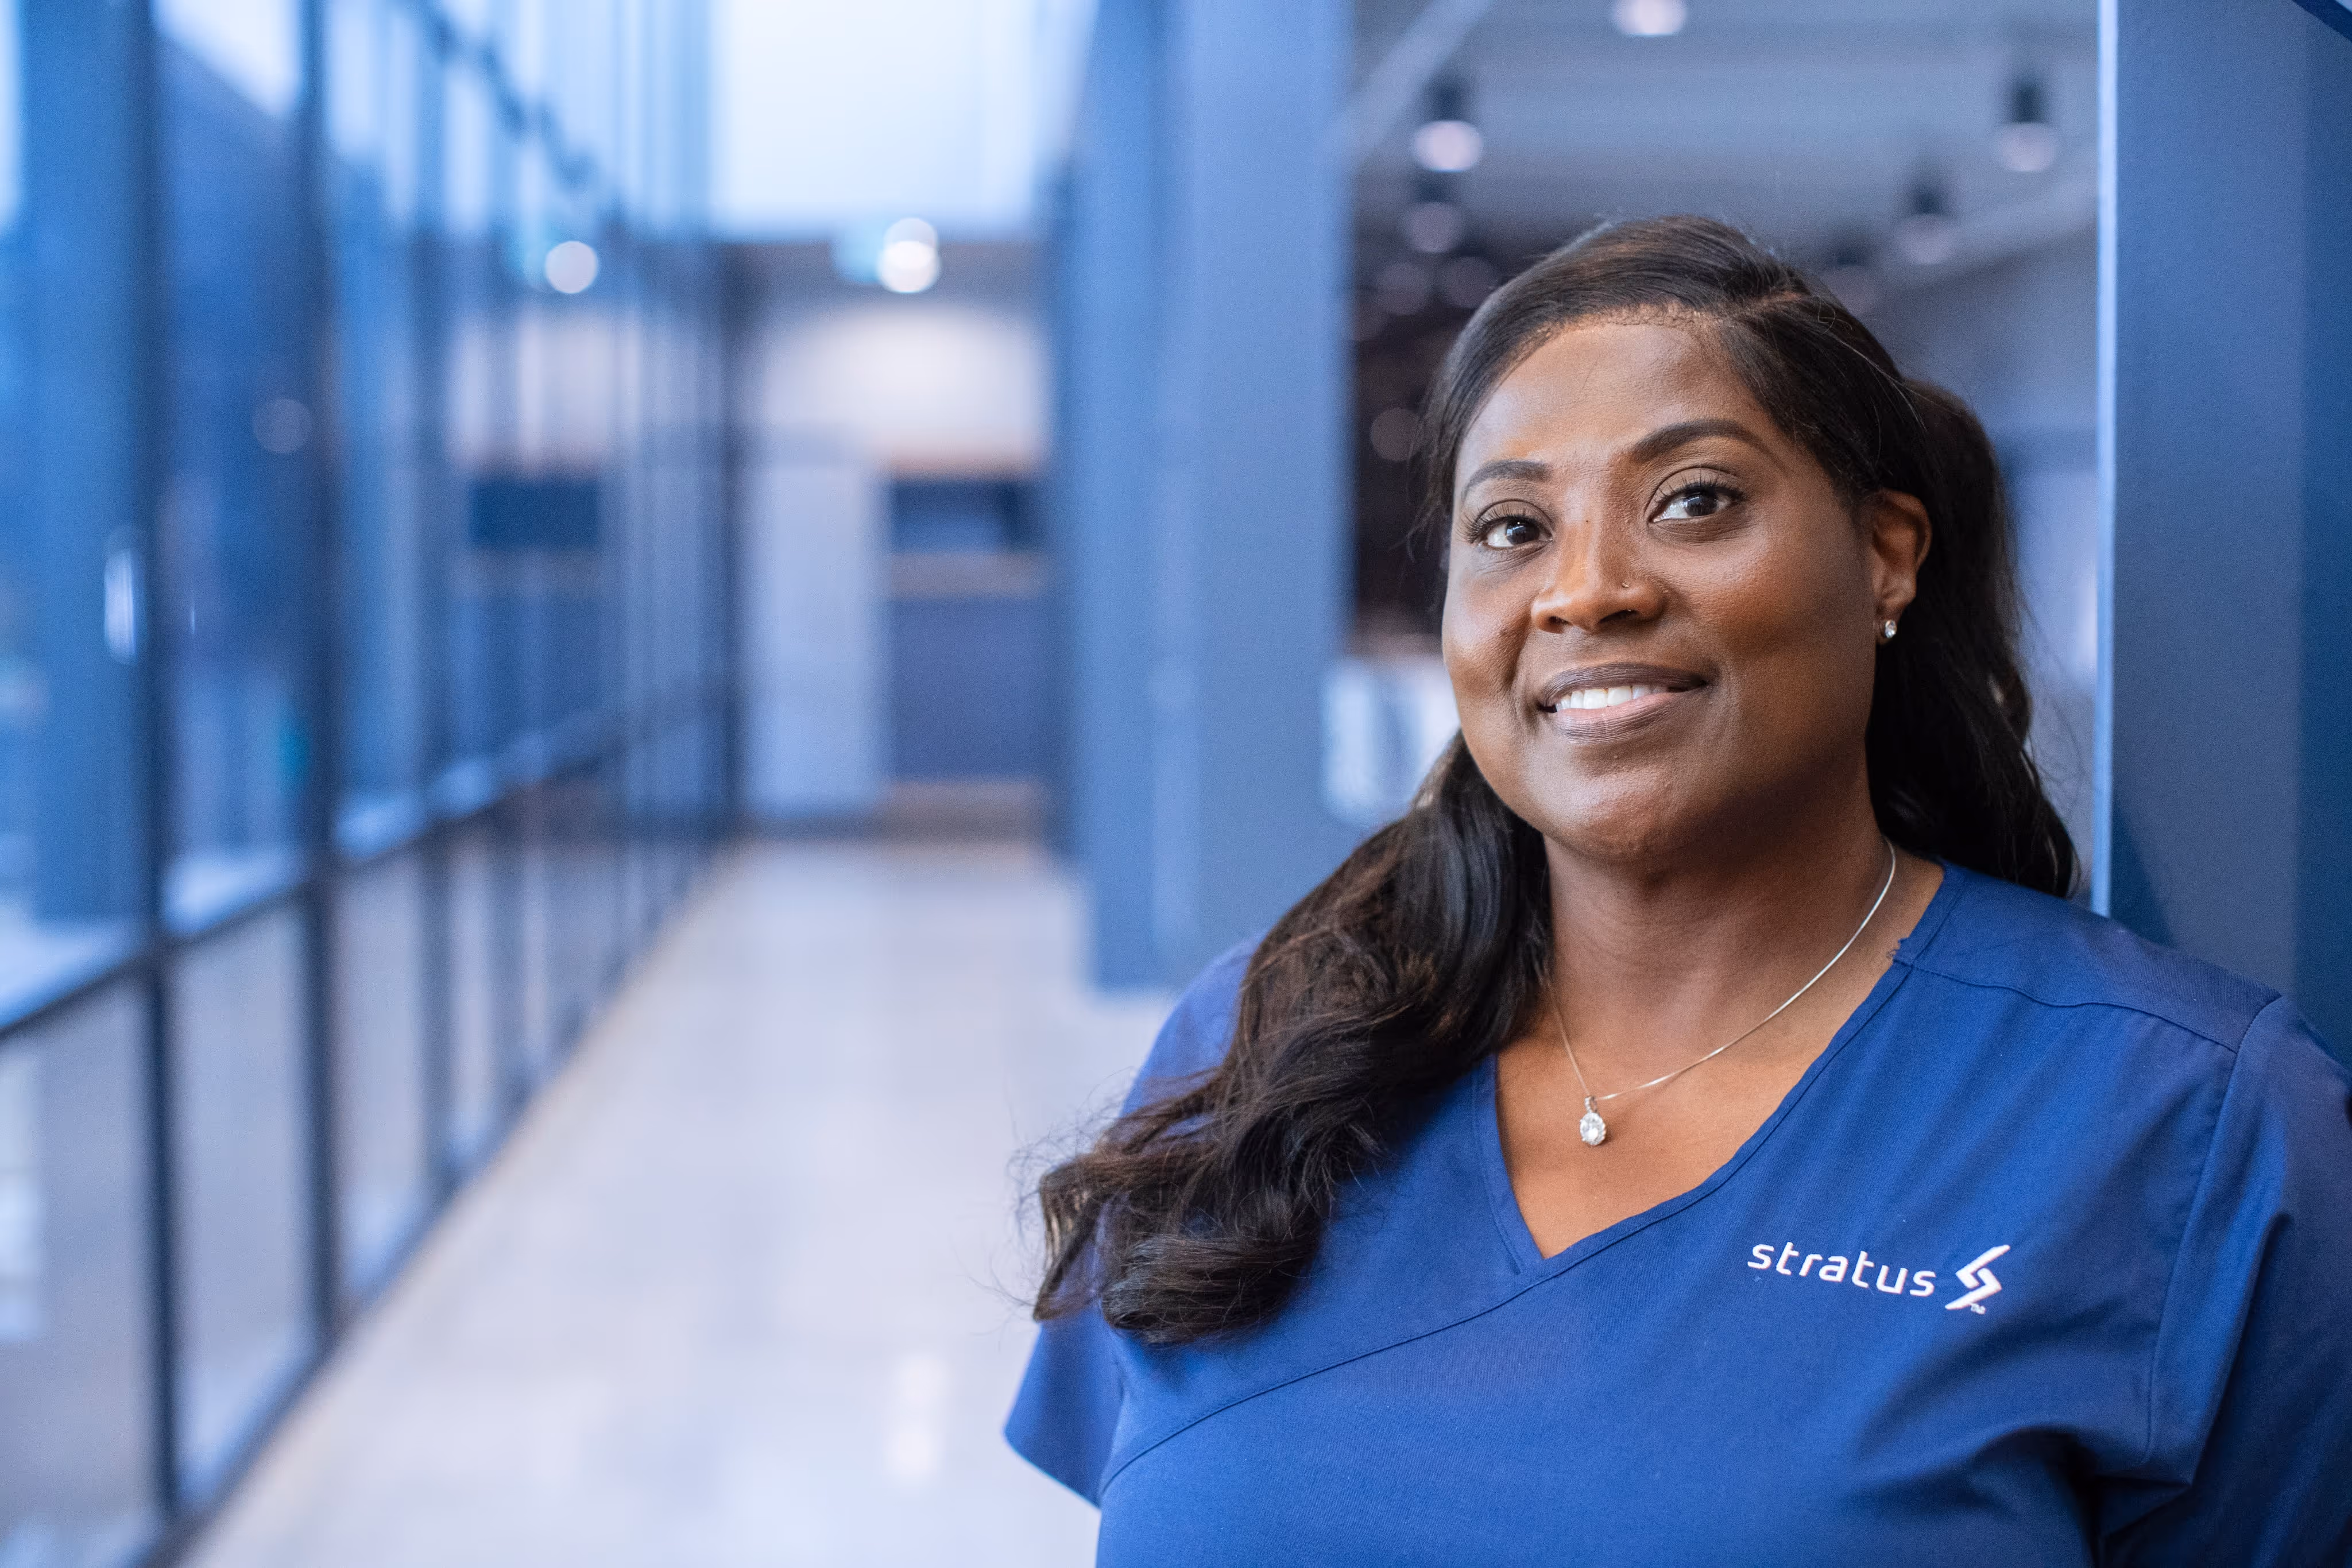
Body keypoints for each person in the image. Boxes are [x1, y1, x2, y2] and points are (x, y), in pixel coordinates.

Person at [1004, 216, 2352, 1565]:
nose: (1583, 592)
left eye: (1693, 499)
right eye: (1512, 527)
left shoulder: (2189, 1125)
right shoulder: (1262, 1044)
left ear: (1885, 551)